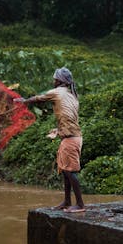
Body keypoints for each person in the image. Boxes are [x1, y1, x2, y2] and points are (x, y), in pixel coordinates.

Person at [13, 67, 85, 213]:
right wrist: (58, 130)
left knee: (70, 172)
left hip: (71, 138)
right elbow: (68, 117)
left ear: (59, 81)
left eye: (54, 79)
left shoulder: (57, 92)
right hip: (72, 137)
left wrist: (24, 101)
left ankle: (80, 204)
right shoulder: (72, 95)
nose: (53, 81)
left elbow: (38, 98)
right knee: (65, 171)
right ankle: (67, 201)